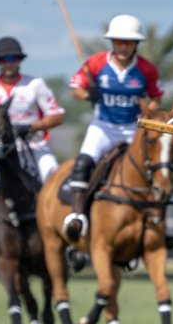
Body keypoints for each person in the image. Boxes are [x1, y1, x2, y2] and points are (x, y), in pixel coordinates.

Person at [63, 14, 165, 242]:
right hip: (103, 127)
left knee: (156, 167)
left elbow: (156, 98)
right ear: (112, 42)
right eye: (119, 41)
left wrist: (149, 112)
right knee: (83, 163)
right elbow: (75, 90)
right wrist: (88, 94)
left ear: (136, 44)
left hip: (132, 129)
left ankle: (158, 220)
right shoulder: (96, 63)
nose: (123, 47)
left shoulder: (147, 69)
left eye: (128, 42)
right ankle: (77, 214)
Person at [0, 36, 64, 276]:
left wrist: (32, 127)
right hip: (5, 155)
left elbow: (57, 115)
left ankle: (70, 246)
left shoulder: (35, 85)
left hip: (36, 148)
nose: (8, 63)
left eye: (12, 58)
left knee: (58, 187)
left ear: (19, 60)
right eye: (3, 59)